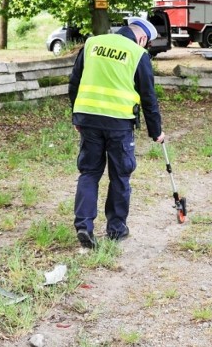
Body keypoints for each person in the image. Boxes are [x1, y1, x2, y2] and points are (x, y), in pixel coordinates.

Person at [68, 17, 165, 249]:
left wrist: (76, 116)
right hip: (119, 124)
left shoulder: (92, 44)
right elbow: (148, 97)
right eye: (147, 43)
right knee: (120, 175)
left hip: (88, 120)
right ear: (142, 38)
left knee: (89, 172)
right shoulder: (137, 53)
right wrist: (156, 132)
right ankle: (116, 229)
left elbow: (74, 82)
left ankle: (84, 225)